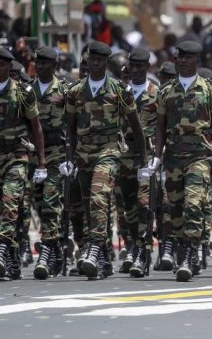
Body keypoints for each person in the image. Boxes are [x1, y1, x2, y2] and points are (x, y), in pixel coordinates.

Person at [150, 40, 212, 282]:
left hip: (199, 157)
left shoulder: (210, 91)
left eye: (187, 57)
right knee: (176, 209)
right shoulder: (165, 91)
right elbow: (159, 127)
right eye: (179, 57)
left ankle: (188, 255)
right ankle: (186, 250)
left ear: (196, 61)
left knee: (194, 204)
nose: (182, 60)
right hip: (173, 157)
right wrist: (156, 157)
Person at [65, 41, 148, 280]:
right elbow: (69, 129)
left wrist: (144, 161)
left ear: (106, 63)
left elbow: (136, 126)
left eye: (99, 61)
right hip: (83, 154)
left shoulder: (120, 90)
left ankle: (91, 248)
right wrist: (69, 158)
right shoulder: (76, 91)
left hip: (109, 151)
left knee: (99, 197)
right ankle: (102, 259)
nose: (94, 64)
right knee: (90, 205)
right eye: (91, 60)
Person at [0, 46, 46, 280]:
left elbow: (36, 127)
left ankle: (2, 250)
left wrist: (41, 162)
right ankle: (12, 261)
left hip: (16, 155)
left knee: (10, 201)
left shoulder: (23, 92)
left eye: (2, 65)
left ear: (9, 67)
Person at [116, 48, 159, 277]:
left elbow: (163, 126)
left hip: (147, 157)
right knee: (128, 207)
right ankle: (133, 244)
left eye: (140, 66)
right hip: (125, 156)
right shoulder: (120, 93)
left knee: (144, 203)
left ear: (146, 67)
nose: (135, 70)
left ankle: (143, 251)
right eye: (132, 66)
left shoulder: (156, 93)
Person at [31, 47, 68, 280]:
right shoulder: (27, 91)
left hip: (56, 153)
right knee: (38, 201)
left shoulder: (64, 90)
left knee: (50, 199)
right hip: (33, 154)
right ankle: (54, 247)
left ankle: (46, 249)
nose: (41, 67)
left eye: (46, 63)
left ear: (54, 66)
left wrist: (71, 157)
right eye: (38, 63)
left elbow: (73, 124)